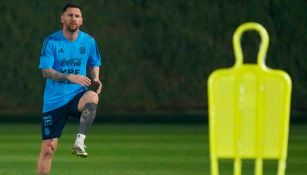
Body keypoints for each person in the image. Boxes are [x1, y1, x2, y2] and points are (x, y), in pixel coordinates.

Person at [37, 2, 102, 175]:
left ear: (81, 21)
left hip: (76, 96)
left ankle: (79, 142)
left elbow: (95, 62)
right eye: (70, 15)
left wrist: (96, 78)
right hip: (54, 101)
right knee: (49, 148)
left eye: (77, 16)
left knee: (93, 97)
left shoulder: (89, 41)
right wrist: (69, 77)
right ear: (62, 18)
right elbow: (45, 72)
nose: (73, 18)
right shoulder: (51, 42)